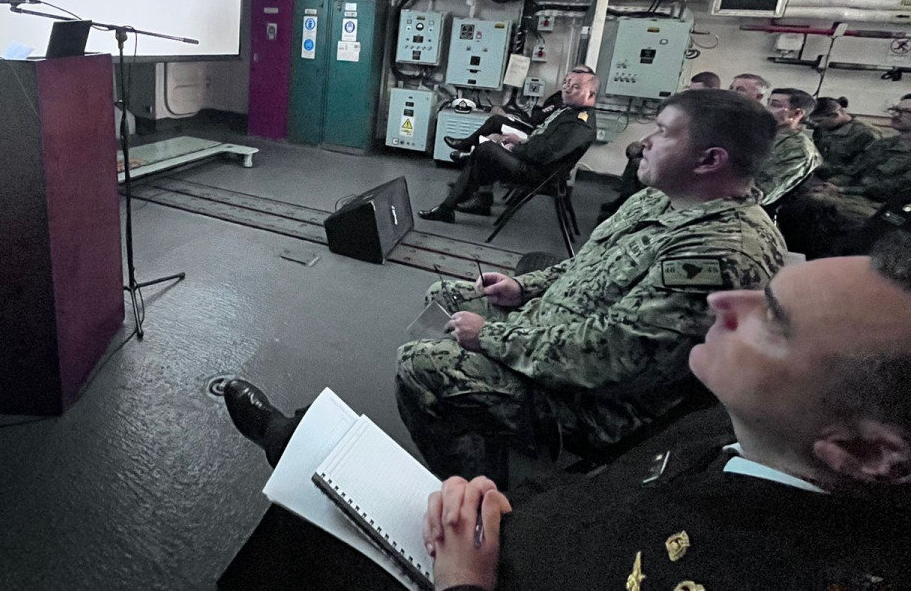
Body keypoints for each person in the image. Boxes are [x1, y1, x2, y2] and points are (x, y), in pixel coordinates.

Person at [219, 238, 911, 590]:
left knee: (304, 531)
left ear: (861, 452)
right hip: (508, 534)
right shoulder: (722, 428)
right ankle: (297, 440)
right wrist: (504, 502)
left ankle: (290, 442)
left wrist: (465, 583)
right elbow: (608, 492)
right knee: (320, 473)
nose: (724, 304)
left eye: (775, 322)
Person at [399, 90, 783, 479]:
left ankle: (485, 504)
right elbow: (586, 266)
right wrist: (522, 286)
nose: (644, 142)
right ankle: (478, 420)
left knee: (421, 365)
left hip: (597, 402)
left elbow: (613, 357)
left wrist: (491, 338)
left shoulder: (720, 251)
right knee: (445, 296)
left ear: (710, 159)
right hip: (556, 333)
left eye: (664, 133)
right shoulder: (659, 200)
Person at [419, 71, 598, 222]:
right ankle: (458, 197)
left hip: (539, 174)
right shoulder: (569, 112)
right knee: (486, 152)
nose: (567, 89)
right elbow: (543, 142)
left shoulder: (579, 124)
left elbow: (545, 154)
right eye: (566, 83)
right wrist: (520, 142)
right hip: (535, 162)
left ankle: (460, 195)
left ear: (590, 94)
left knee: (486, 150)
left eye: (575, 87)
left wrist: (516, 149)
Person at [780, 93, 911, 258]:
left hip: (884, 206)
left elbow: (893, 190)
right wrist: (830, 185)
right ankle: (796, 257)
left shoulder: (867, 134)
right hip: (853, 195)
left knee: (815, 205)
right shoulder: (884, 144)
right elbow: (853, 170)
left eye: (904, 112)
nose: (896, 115)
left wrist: (841, 190)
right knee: (797, 197)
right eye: (895, 110)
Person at [443, 66, 596, 153]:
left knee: (495, 128)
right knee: (496, 116)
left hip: (532, 133)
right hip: (533, 128)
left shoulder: (571, 110)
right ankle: (468, 150)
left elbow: (540, 120)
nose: (568, 87)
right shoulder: (560, 96)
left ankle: (467, 149)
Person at [752, 86, 821, 207]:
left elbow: (759, 195)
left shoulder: (798, 150)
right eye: (768, 103)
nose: (766, 110)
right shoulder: (764, 135)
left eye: (775, 105)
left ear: (797, 113)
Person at [809, 95, 877, 174]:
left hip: (847, 178)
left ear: (835, 115)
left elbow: (864, 167)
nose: (816, 125)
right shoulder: (823, 129)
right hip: (821, 174)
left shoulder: (865, 133)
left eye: (819, 121)